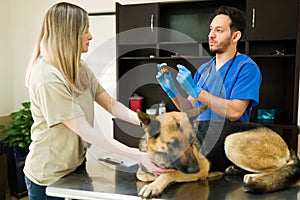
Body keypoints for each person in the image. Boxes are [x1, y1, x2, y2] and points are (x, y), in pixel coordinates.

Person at [24, 2, 171, 199]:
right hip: (48, 175)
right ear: (68, 33)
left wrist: (148, 122)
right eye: (85, 30)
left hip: (74, 166)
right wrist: (136, 154)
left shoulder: (79, 67)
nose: (90, 36)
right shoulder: (47, 77)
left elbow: (111, 105)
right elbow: (86, 131)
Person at [156, 6, 262, 122]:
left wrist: (197, 91)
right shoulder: (204, 69)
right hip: (202, 137)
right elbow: (189, 109)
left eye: (219, 30)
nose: (211, 35)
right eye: (211, 29)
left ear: (235, 36)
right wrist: (172, 90)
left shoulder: (246, 68)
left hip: (231, 137)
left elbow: (235, 111)